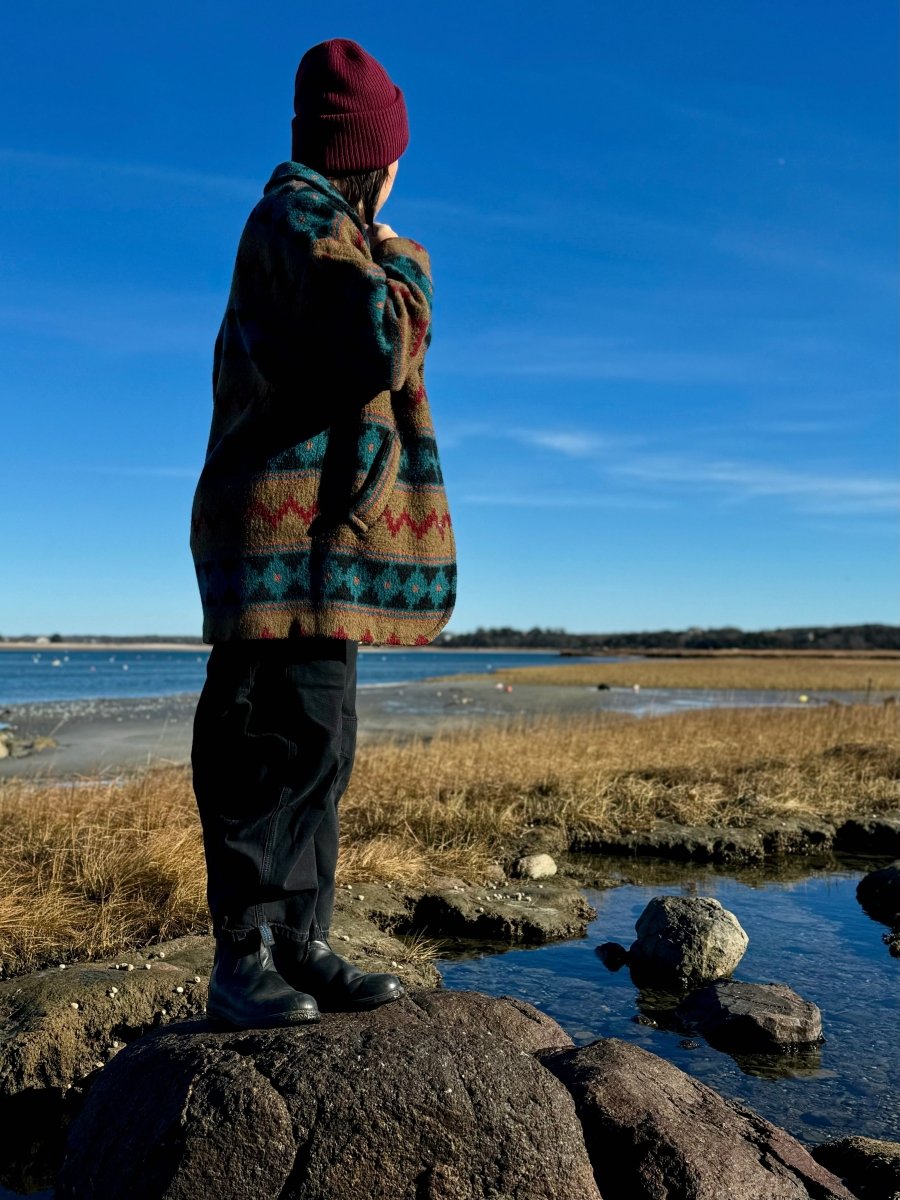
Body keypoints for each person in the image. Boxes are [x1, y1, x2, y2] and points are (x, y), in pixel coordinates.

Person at [188, 37, 457, 1030]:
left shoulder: (324, 227)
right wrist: (406, 260)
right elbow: (377, 339)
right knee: (265, 742)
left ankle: (301, 939)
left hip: (313, 548)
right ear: (373, 158)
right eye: (396, 155)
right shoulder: (295, 220)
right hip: (277, 549)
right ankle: (245, 958)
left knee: (317, 743)